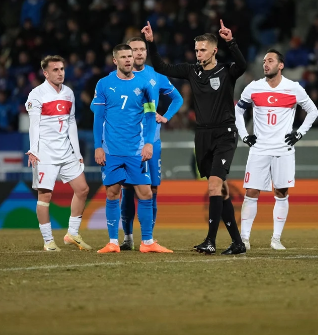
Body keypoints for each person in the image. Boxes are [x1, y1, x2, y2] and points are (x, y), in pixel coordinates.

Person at [141, 19, 247, 255]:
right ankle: (238, 243)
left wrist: (232, 41)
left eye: (203, 50)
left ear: (214, 50)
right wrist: (152, 43)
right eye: (197, 50)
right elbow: (162, 67)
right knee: (222, 190)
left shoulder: (227, 70)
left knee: (213, 186)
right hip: (202, 135)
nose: (199, 54)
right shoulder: (192, 71)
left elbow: (242, 63)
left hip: (225, 133)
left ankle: (210, 240)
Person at [91, 44, 172, 254]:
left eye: (130, 56)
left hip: (136, 150)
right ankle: (112, 242)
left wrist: (147, 143)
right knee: (112, 193)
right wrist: (97, 147)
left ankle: (147, 242)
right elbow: (98, 118)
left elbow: (149, 116)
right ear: (115, 60)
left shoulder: (145, 85)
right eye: (124, 57)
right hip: (112, 150)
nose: (129, 59)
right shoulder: (104, 84)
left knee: (145, 193)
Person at [234, 49, 318, 250]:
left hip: (283, 149)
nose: (265, 64)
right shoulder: (253, 88)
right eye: (264, 61)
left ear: (280, 65)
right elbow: (237, 110)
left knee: (281, 192)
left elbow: (313, 111)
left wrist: (299, 134)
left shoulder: (293, 88)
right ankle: (244, 239)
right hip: (259, 148)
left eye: (270, 60)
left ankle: (276, 239)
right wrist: (244, 135)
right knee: (251, 192)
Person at [118, 37, 183, 251]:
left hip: (152, 142)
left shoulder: (156, 76)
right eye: (134, 49)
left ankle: (149, 237)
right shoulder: (119, 78)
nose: (138, 53)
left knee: (152, 189)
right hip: (127, 143)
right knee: (127, 189)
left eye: (142, 49)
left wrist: (165, 116)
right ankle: (127, 237)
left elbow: (178, 99)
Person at [25, 55, 91, 252]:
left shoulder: (69, 93)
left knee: (82, 189)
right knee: (45, 196)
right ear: (45, 73)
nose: (60, 73)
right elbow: (34, 125)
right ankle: (48, 241)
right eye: (55, 70)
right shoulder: (36, 95)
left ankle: (72, 233)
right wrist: (33, 150)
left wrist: (77, 152)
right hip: (45, 153)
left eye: (62, 69)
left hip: (66, 151)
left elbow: (71, 122)